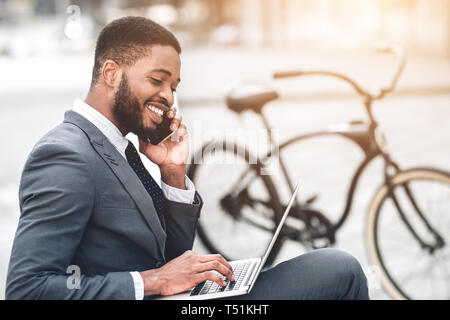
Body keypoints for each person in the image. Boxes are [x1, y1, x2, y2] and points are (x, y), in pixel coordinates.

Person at [6, 16, 369, 300]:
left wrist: (173, 173)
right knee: (339, 269)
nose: (168, 97)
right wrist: (152, 281)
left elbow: (171, 258)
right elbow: (28, 289)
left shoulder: (119, 145)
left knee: (333, 268)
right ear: (112, 74)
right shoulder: (66, 155)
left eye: (173, 87)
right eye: (157, 80)